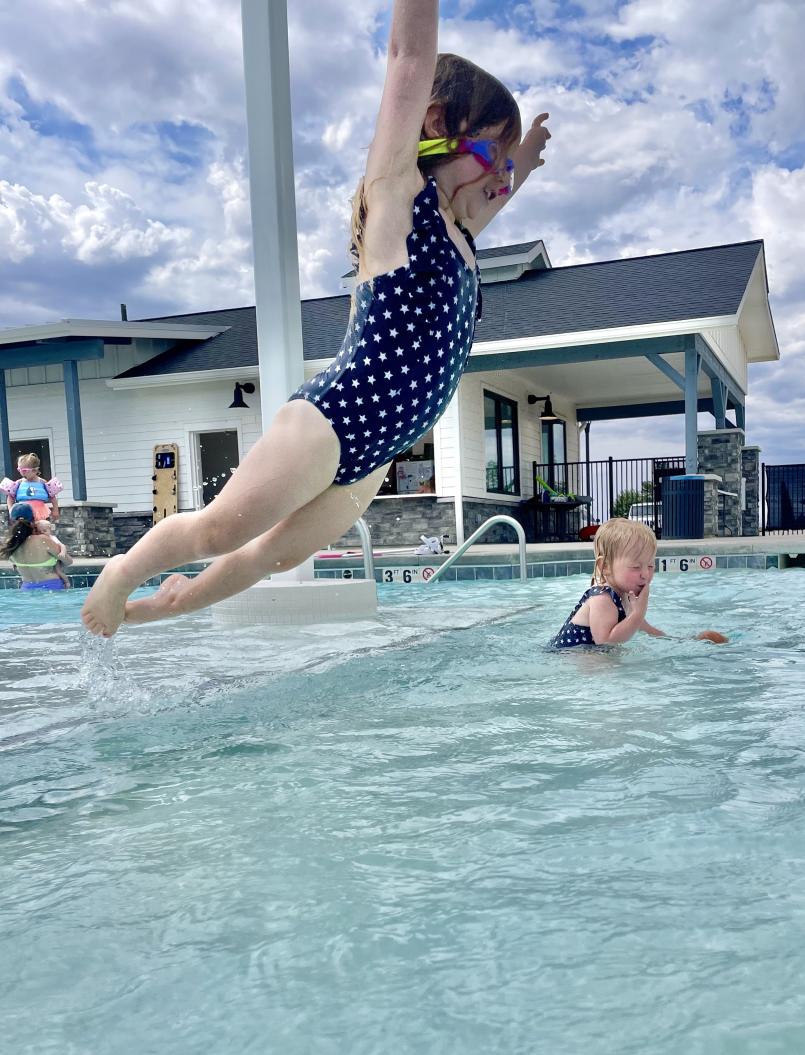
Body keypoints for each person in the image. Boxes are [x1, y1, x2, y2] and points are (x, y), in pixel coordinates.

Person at [81, 4, 551, 636]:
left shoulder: (461, 237)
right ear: (436, 124)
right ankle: (119, 573)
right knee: (222, 529)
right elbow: (408, 59)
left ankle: (166, 606)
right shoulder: (400, 199)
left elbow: (495, 188)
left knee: (273, 555)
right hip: (333, 419)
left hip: (377, 454)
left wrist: (520, 157)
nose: (500, 174)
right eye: (491, 152)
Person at [549, 518, 728, 648]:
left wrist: (681, 641)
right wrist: (638, 613)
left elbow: (644, 628)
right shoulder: (602, 598)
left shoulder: (624, 595)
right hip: (567, 657)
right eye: (636, 567)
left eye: (650, 565)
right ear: (605, 567)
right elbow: (605, 642)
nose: (645, 574)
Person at [1, 502, 74, 591]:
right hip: (51, 587)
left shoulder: (10, 544)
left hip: (26, 588)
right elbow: (68, 561)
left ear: (12, 521)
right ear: (34, 519)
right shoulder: (43, 540)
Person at [1, 453, 63, 521]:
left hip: (40, 512)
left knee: (39, 528)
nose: (22, 473)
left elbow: (52, 497)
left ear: (35, 470)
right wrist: (11, 510)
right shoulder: (19, 483)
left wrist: (55, 510)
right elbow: (10, 497)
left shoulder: (42, 482)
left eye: (24, 470)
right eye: (19, 470)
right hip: (23, 512)